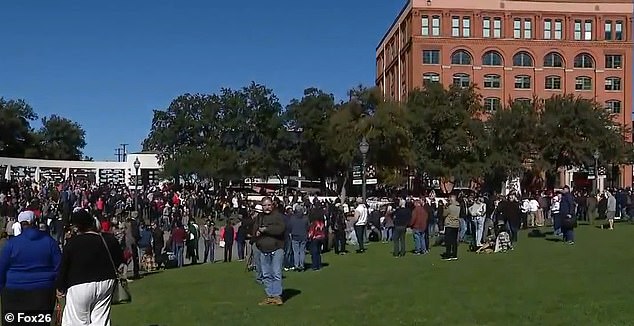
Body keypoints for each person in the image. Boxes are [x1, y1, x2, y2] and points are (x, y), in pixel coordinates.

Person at [56, 209, 124, 325]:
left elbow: (64, 267)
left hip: (79, 284)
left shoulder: (72, 243)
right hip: (105, 282)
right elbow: (119, 259)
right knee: (101, 321)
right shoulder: (108, 239)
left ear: (77, 226)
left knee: (77, 321)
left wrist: (60, 286)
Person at [0, 211, 61, 318]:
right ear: (36, 223)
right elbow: (59, 266)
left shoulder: (11, 244)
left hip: (14, 292)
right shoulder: (50, 242)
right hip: (43, 292)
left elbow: (2, 268)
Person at [254, 197, 285, 306]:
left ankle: (277, 295)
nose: (267, 207)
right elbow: (255, 229)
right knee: (266, 274)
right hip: (263, 248)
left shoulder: (278, 216)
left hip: (276, 248)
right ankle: (270, 295)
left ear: (272, 205)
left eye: (268, 205)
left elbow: (281, 229)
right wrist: (257, 233)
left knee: (276, 273)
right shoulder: (259, 217)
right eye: (264, 205)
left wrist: (266, 229)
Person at [442, 195, 461, 261]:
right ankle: (454, 254)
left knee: (448, 241)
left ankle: (448, 255)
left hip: (449, 224)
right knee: (454, 241)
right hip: (456, 224)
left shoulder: (450, 207)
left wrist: (444, 207)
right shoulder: (458, 206)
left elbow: (444, 214)